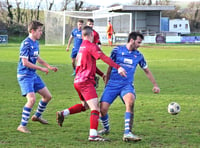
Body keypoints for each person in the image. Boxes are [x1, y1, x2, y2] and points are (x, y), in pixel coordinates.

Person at [56, 26, 127, 141]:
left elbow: (89, 65)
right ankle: (93, 135)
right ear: (91, 35)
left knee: (85, 106)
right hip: (86, 82)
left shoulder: (81, 47)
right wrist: (118, 67)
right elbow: (103, 57)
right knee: (95, 108)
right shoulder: (91, 46)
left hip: (78, 81)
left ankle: (63, 113)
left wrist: (101, 74)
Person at [98, 32, 160, 142]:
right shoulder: (117, 51)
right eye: (138, 42)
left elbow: (146, 70)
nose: (140, 45)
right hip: (112, 84)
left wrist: (155, 85)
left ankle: (128, 132)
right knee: (102, 109)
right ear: (132, 40)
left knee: (130, 101)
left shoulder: (139, 56)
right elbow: (110, 66)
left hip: (126, 85)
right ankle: (106, 128)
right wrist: (107, 82)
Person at [17, 21, 58, 133]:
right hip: (25, 75)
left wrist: (48, 66)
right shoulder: (26, 44)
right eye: (39, 30)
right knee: (31, 99)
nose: (41, 32)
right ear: (32, 31)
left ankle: (36, 116)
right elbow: (25, 62)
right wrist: (41, 69)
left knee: (47, 96)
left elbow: (37, 57)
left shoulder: (36, 43)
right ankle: (22, 125)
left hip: (33, 75)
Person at [86, 18, 101, 88]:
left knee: (91, 66)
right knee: (87, 66)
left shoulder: (95, 33)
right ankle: (94, 78)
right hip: (85, 52)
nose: (91, 25)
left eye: (92, 24)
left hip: (93, 52)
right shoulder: (84, 32)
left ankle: (93, 80)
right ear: (87, 24)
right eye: (89, 24)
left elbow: (98, 43)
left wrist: (98, 51)